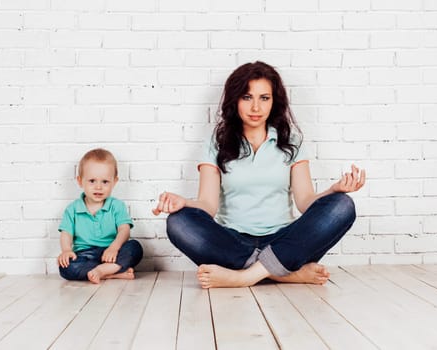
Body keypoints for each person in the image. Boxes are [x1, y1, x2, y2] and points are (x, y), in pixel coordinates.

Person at [152, 61, 365, 289]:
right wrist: (183, 203)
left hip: (285, 239)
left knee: (342, 205)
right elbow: (208, 205)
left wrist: (334, 190)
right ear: (235, 100)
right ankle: (284, 273)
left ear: (274, 102)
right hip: (233, 241)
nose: (256, 107)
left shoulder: (291, 142)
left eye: (264, 98)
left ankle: (243, 276)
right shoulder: (216, 143)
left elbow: (305, 202)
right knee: (178, 222)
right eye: (247, 97)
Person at [58, 148, 143, 284]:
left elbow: (124, 230)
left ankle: (104, 270)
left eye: (105, 182)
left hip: (112, 253)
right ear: (80, 181)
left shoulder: (117, 206)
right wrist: (66, 250)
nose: (98, 187)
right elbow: (66, 233)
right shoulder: (73, 209)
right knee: (66, 268)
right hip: (85, 255)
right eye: (92, 181)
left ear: (114, 182)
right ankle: (110, 273)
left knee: (135, 247)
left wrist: (114, 247)